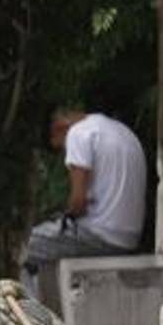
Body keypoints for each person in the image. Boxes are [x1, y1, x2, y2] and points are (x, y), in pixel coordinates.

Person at [21, 107, 147, 297]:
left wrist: (67, 212)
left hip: (100, 236)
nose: (65, 153)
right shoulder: (120, 130)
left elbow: (78, 202)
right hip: (130, 236)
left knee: (22, 247)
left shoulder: (77, 134)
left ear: (59, 128)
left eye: (61, 148)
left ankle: (29, 320)